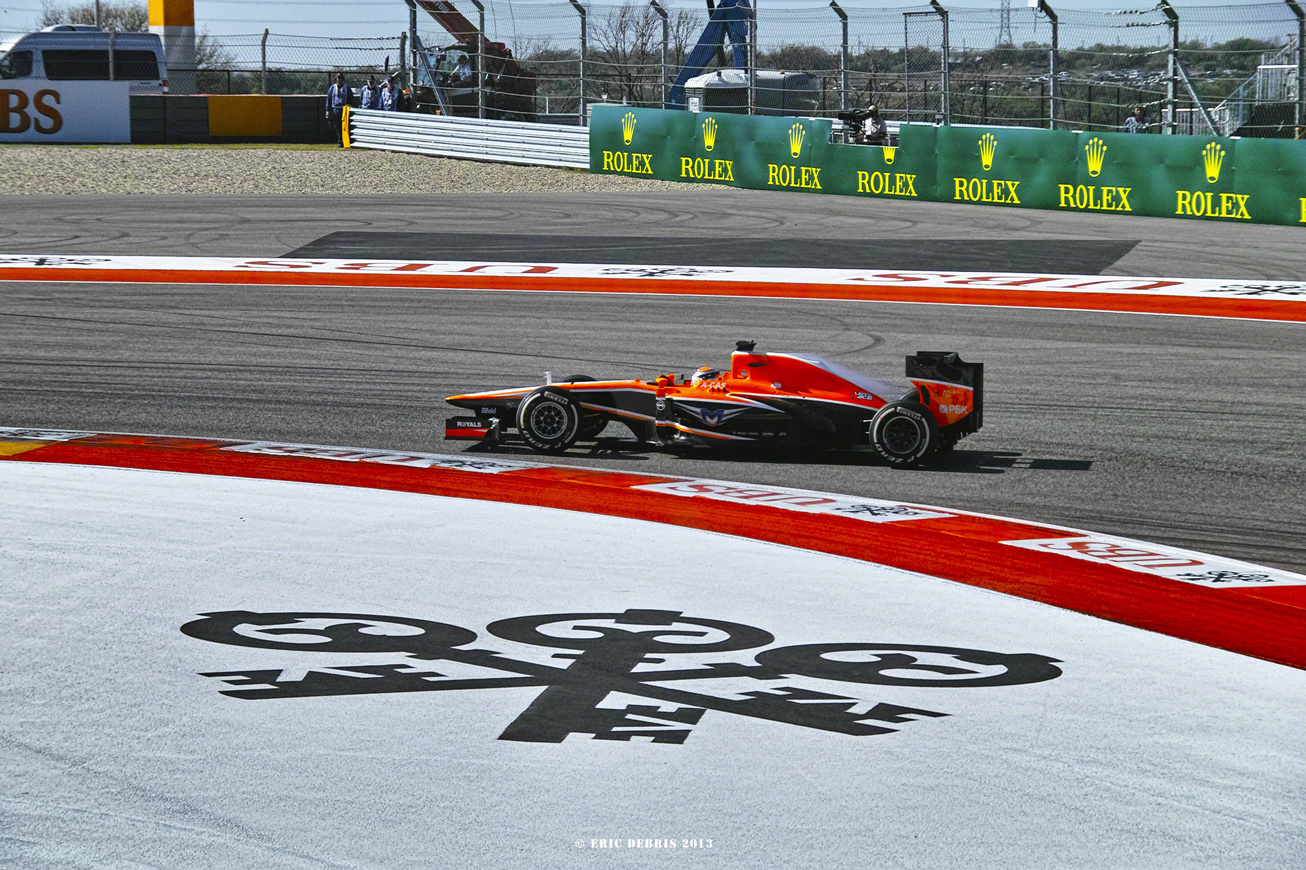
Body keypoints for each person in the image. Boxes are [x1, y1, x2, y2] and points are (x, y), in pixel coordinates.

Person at [325, 73, 351, 146]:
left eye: (341, 78)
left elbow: (350, 99)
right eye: (338, 78)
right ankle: (340, 140)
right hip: (335, 109)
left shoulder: (347, 88)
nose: (340, 80)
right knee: (337, 126)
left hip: (344, 109)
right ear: (336, 79)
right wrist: (327, 110)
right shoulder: (332, 88)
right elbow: (329, 99)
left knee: (345, 126)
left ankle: (345, 140)